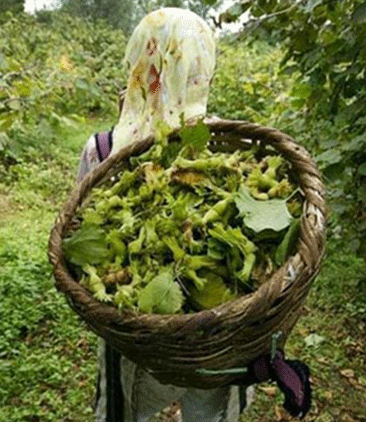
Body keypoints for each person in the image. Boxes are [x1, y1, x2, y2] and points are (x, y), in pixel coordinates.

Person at [75, 8, 253, 422]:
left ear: (137, 62)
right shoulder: (228, 145)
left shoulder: (101, 149)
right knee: (208, 413)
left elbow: (80, 236)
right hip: (214, 336)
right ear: (202, 68)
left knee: (129, 407)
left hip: (136, 335)